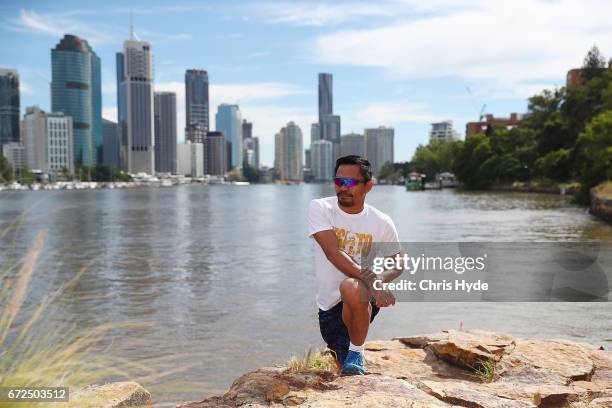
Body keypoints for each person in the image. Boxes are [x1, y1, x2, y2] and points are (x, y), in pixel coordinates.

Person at [307, 155, 401, 375]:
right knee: (341, 360)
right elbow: (333, 252)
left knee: (352, 286)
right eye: (339, 181)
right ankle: (351, 353)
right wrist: (373, 281)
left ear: (368, 186)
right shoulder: (320, 208)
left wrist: (377, 282)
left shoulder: (381, 221)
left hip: (363, 296)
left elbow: (398, 262)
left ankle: (357, 352)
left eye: (349, 183)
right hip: (329, 308)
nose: (343, 187)